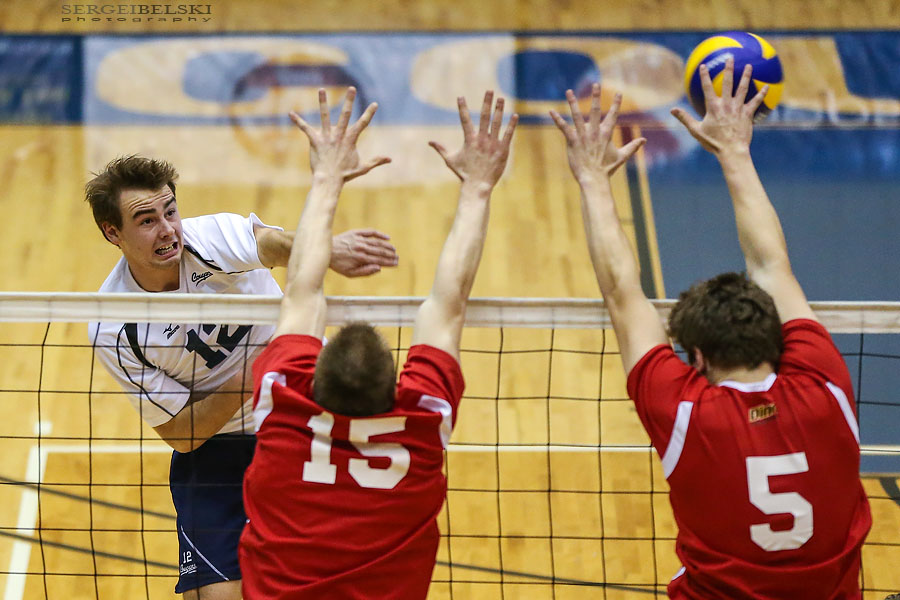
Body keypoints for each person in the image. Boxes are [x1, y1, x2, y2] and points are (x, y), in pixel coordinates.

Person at [550, 60, 871, 598]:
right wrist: (735, 151)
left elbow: (621, 292)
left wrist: (592, 179)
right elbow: (773, 268)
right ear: (776, 335)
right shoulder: (824, 384)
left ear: (695, 358)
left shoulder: (686, 417)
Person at [238, 87, 517, 599]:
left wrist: (326, 177)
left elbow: (303, 286)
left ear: (312, 380)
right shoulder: (420, 419)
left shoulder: (283, 407)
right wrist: (478, 186)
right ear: (397, 388)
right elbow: (449, 302)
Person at [86, 152, 399, 599]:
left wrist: (327, 251)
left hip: (304, 411)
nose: (168, 230)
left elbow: (272, 244)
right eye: (147, 220)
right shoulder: (114, 325)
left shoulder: (208, 238)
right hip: (219, 448)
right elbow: (182, 433)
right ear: (112, 231)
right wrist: (261, 369)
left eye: (170, 211)